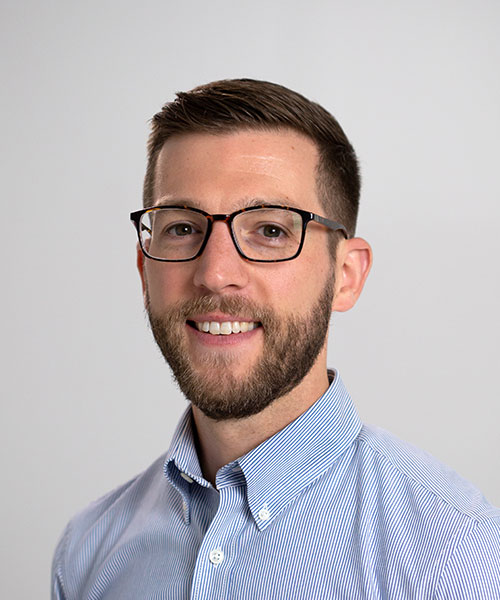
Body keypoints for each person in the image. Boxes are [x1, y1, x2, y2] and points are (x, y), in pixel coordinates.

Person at [52, 79, 500, 599]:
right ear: (143, 268)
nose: (215, 274)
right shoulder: (87, 550)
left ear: (346, 275)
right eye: (182, 228)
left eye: (270, 231)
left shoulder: (458, 556)